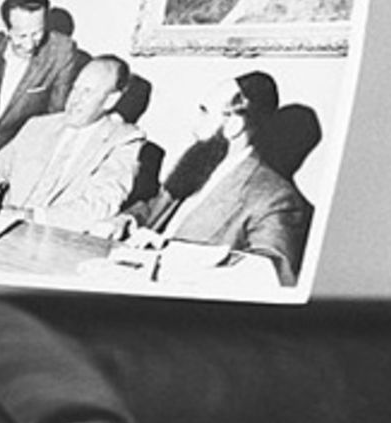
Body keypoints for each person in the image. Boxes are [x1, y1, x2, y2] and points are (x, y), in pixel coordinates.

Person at [102, 70, 312, 287]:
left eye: (205, 112)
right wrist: (124, 221)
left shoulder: (276, 198)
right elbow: (154, 209)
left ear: (234, 125)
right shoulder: (199, 165)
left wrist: (167, 254)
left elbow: (268, 273)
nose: (194, 128)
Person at [0, 54, 145, 228]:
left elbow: (99, 205)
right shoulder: (38, 125)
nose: (74, 100)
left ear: (110, 100)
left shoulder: (123, 140)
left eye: (87, 92)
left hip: (53, 238)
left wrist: (31, 216)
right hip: (0, 225)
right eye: (75, 88)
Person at [0, 0, 89, 168]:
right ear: (6, 30)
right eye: (21, 36)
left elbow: (55, 119)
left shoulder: (62, 51)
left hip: (17, 156)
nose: (30, 45)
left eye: (37, 33)